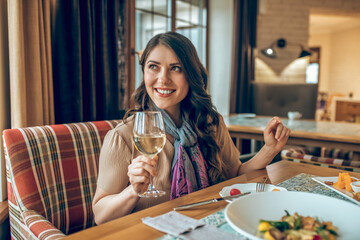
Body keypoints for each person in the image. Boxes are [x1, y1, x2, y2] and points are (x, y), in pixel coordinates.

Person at [92, 32, 290, 225]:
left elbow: (235, 175)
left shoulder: (210, 122)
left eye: (176, 68)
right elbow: (100, 216)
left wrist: (270, 149)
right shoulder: (123, 136)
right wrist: (133, 191)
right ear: (144, 73)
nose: (163, 79)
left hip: (207, 224)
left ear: (191, 74)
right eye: (153, 67)